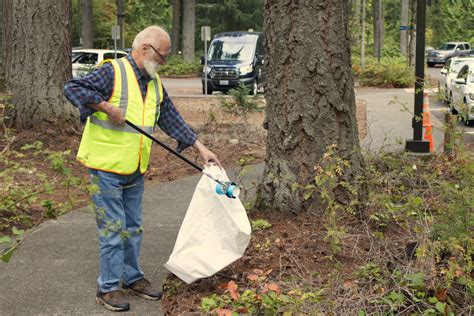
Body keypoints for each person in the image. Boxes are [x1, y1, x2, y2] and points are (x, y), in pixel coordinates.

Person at [64, 26, 221, 312]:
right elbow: (73, 88)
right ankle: (108, 288)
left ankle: (131, 278)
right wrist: (105, 107)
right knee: (113, 229)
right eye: (163, 56)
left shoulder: (154, 82)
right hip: (105, 167)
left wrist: (202, 149)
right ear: (146, 49)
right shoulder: (113, 71)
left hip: (135, 168)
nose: (164, 62)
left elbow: (171, 118)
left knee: (133, 228)